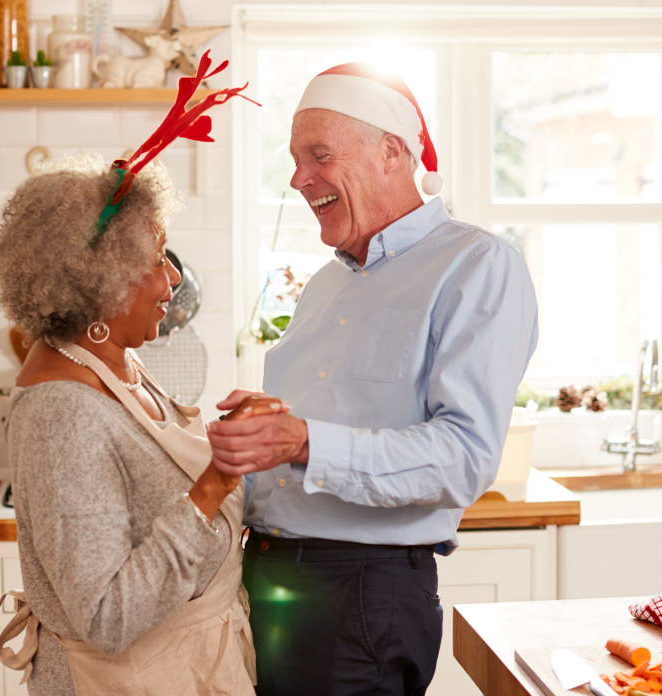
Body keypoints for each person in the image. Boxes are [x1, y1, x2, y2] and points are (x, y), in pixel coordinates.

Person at [207, 62, 539, 695]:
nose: (299, 178)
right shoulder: (329, 282)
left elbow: (465, 459)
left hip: (358, 594)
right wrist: (264, 432)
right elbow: (329, 421)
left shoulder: (477, 266)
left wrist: (302, 441)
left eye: (319, 155)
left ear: (392, 152)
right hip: (269, 580)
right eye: (295, 159)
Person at [0, 53, 261, 695]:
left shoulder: (116, 366)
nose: (171, 279)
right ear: (102, 277)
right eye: (157, 257)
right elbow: (106, 617)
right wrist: (214, 484)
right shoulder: (62, 412)